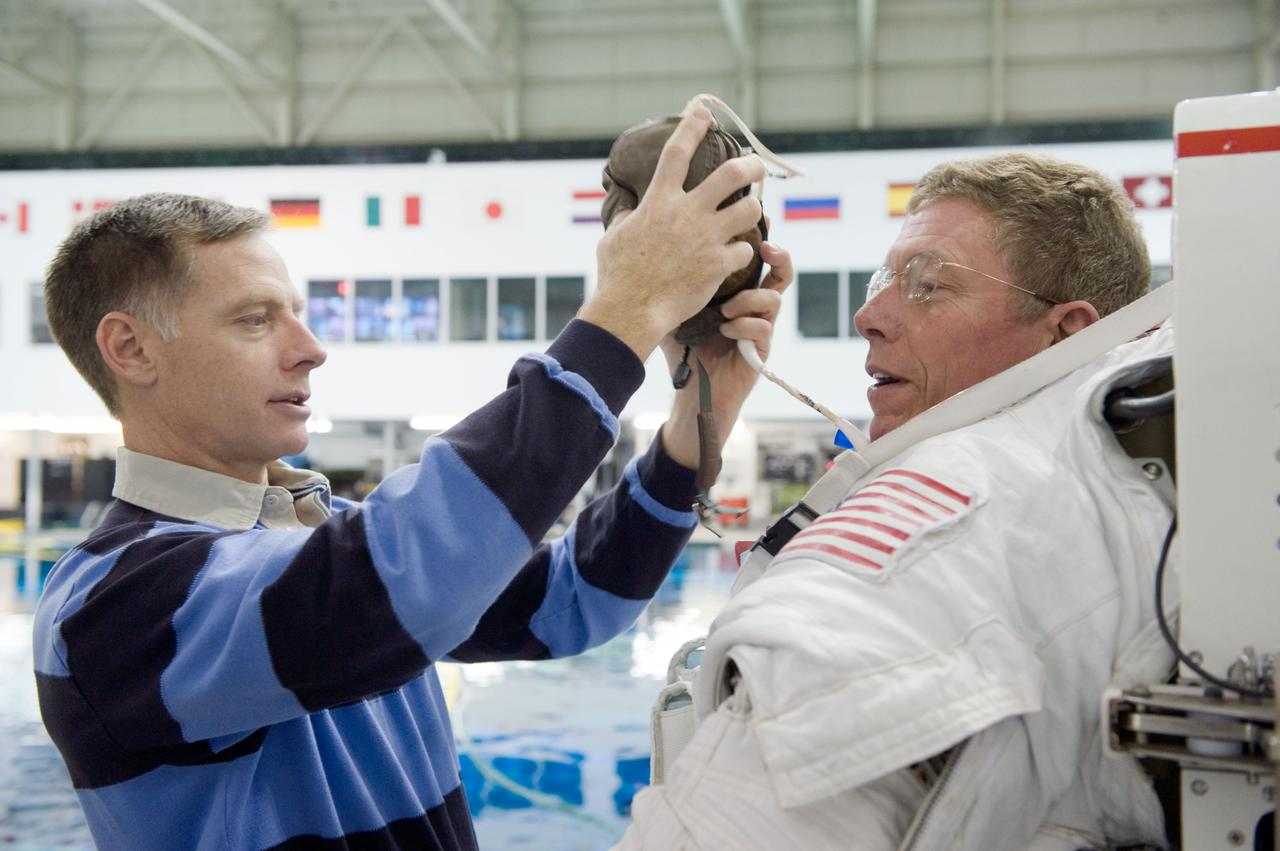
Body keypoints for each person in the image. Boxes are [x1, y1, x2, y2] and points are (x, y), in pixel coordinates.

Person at [32, 109, 794, 851]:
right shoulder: (112, 607)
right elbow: (396, 581)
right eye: (256, 320)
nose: (310, 349)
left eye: (297, 314)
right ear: (130, 349)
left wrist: (700, 418)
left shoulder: (312, 534)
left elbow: (575, 599)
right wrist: (627, 309)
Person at [618, 152, 1177, 850]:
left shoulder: (936, 539)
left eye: (929, 285)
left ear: (1065, 331)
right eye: (886, 279)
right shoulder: (1124, 490)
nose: (868, 314)